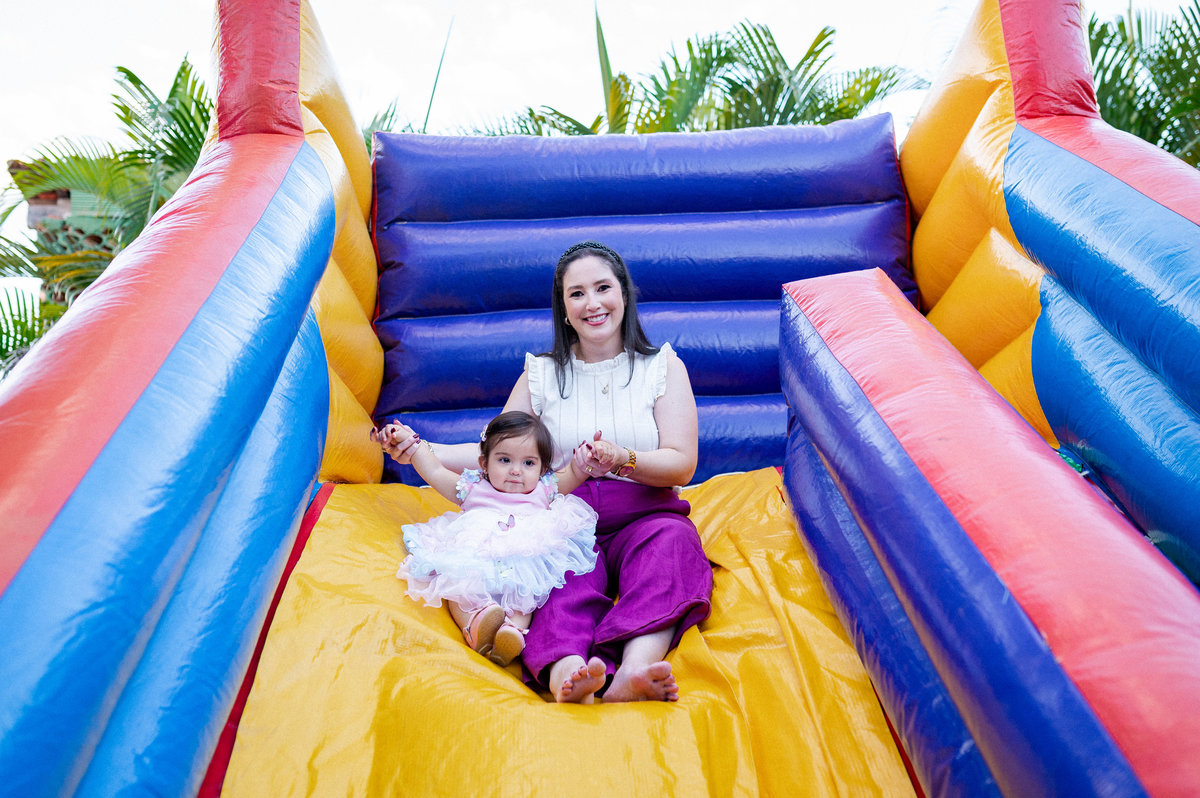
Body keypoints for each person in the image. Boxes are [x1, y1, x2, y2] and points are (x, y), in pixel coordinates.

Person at [380, 241, 712, 704]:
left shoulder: (662, 368)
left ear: (624, 293)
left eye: (603, 288)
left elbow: (682, 461)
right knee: (553, 582)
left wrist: (622, 458)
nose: (592, 303)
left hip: (645, 514)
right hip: (561, 517)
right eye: (577, 294)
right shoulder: (541, 374)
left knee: (672, 551)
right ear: (564, 309)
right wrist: (420, 448)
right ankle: (567, 675)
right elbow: (495, 451)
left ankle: (634, 672)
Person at [374, 411, 598, 667]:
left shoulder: (543, 490)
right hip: (476, 555)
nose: (516, 471)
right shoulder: (472, 489)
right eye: (504, 460)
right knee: (459, 585)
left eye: (528, 463)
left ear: (543, 468)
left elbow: (573, 474)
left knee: (525, 592)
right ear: (484, 463)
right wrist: (413, 445)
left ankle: (511, 632)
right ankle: (475, 624)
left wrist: (584, 462)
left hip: (521, 559)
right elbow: (435, 470)